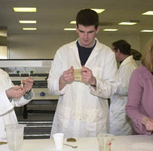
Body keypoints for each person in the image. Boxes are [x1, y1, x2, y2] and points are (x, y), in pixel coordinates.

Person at [48, 8, 119, 138]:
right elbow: (51, 87)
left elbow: (112, 89)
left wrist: (94, 81)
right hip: (67, 121)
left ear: (97, 29)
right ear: (76, 28)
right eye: (81, 31)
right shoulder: (63, 52)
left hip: (94, 122)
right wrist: (62, 80)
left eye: (90, 32)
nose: (85, 37)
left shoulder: (107, 54)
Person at [109, 40, 138, 135]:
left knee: (118, 137)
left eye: (113, 51)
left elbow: (125, 89)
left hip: (121, 108)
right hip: (120, 107)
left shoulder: (128, 66)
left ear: (118, 51)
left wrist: (108, 86)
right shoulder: (126, 65)